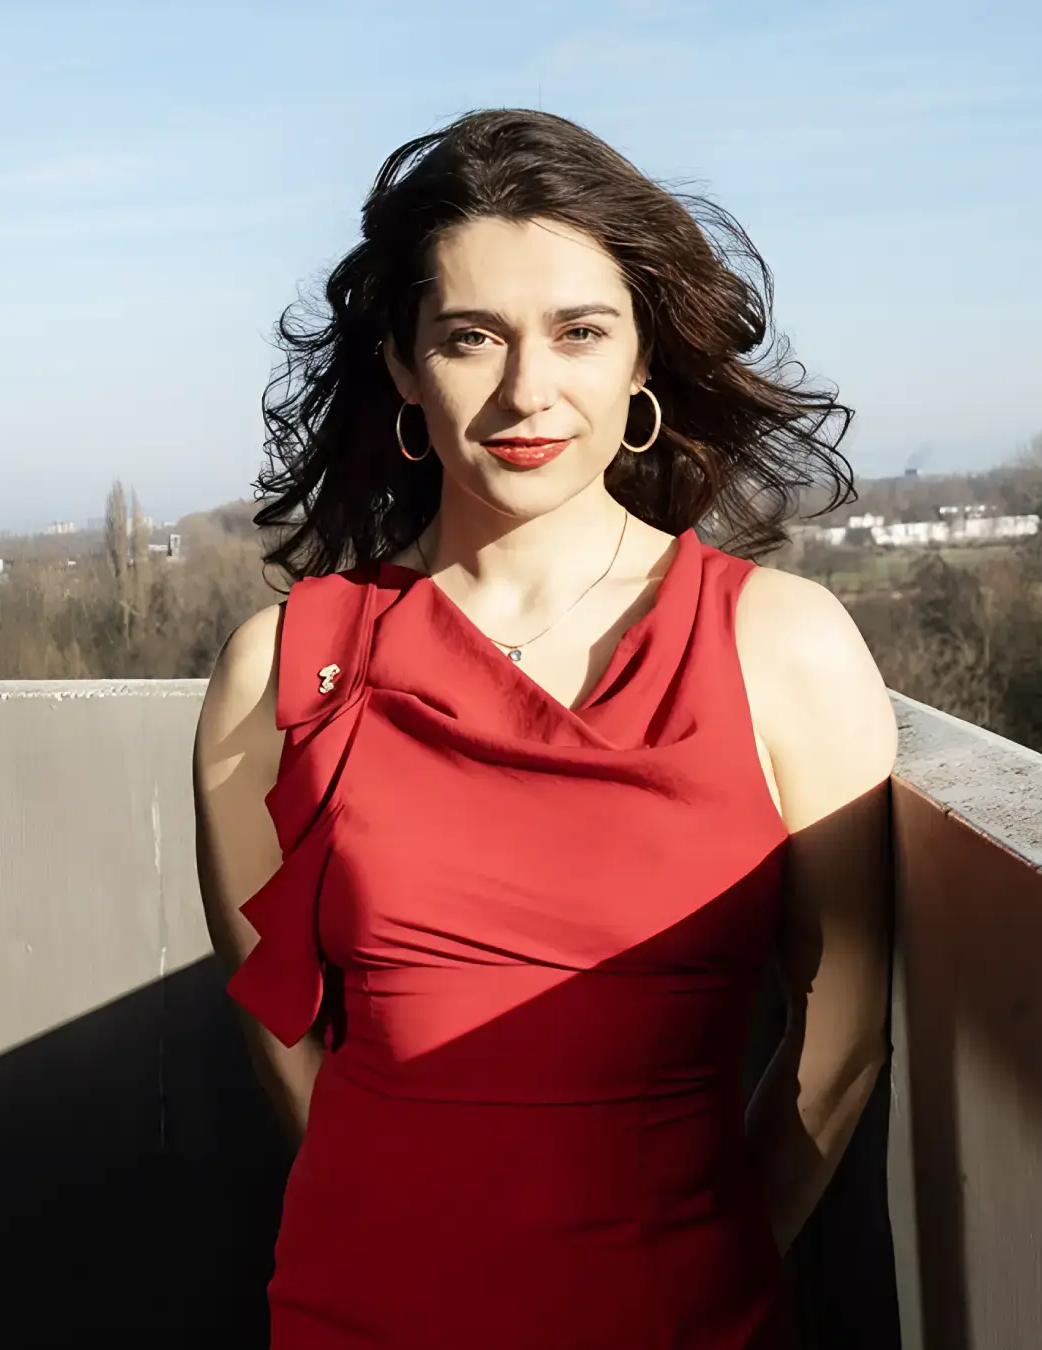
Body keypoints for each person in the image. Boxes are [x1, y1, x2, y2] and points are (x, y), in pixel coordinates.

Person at [193, 108, 897, 1350]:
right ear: (407, 369)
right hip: (359, 1312)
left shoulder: (782, 646)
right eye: (472, 337)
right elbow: (277, 1024)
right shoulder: (283, 669)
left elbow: (839, 1040)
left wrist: (704, 1270)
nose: (527, 390)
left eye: (580, 332)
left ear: (641, 361)